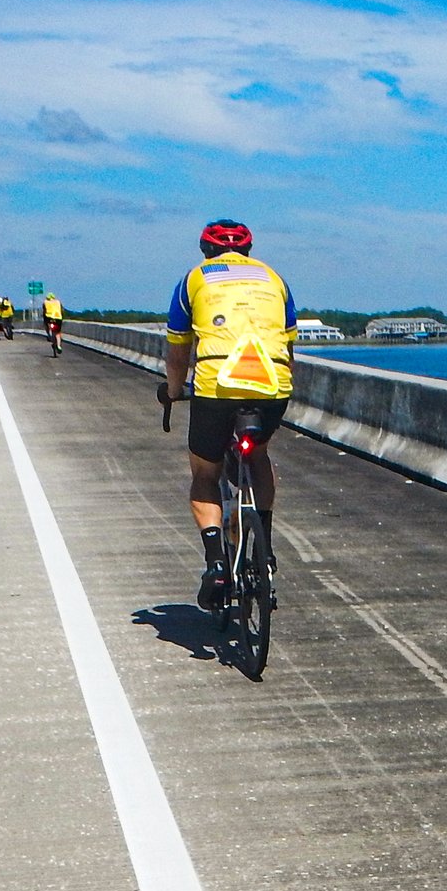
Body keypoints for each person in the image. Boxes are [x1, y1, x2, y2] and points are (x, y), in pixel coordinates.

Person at [156, 220, 298, 610]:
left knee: (205, 473)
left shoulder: (193, 281)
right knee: (260, 454)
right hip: (272, 386)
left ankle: (217, 562)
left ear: (206, 251)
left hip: (217, 389)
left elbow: (177, 353)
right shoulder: (275, 279)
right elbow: (288, 348)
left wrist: (172, 391)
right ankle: (264, 551)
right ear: (248, 252)